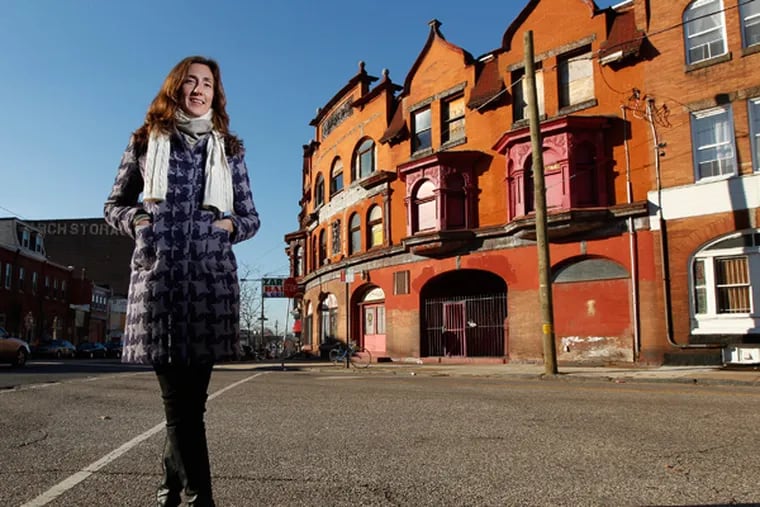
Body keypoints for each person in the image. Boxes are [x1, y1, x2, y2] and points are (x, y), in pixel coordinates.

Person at [104, 55, 260, 507]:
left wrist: (228, 227)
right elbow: (114, 204)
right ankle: (199, 497)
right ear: (175, 88)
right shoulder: (144, 141)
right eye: (191, 81)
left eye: (207, 83)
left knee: (191, 405)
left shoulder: (230, 149)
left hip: (211, 283)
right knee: (179, 403)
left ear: (215, 94)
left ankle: (172, 487)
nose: (199, 89)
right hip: (161, 282)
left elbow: (251, 216)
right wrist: (139, 222)